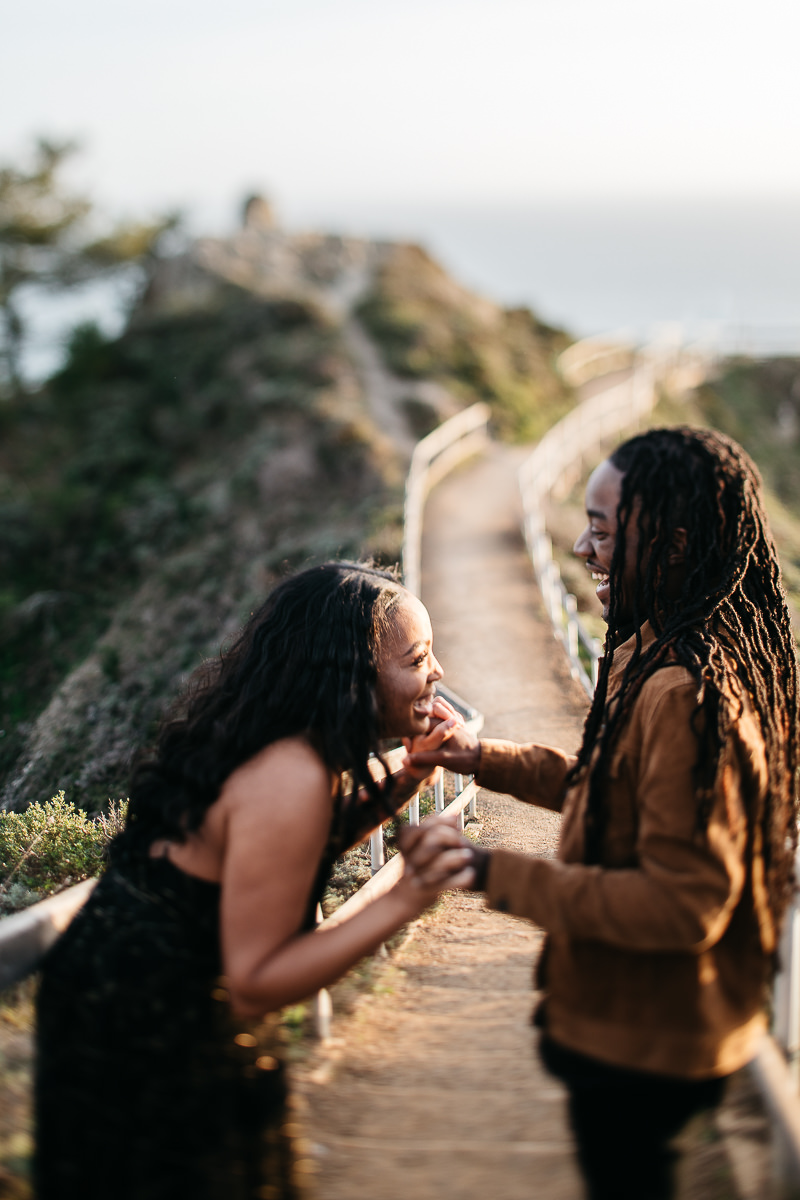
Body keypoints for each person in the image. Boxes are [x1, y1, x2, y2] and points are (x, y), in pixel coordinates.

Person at [403, 427, 800, 1200]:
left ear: (675, 544)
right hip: (628, 1026)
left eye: (603, 528)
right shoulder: (653, 651)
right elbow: (606, 787)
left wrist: (490, 872)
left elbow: (683, 903)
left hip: (646, 1045)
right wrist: (483, 759)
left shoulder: (686, 694)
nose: (584, 548)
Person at [35, 561, 474, 1200]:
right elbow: (255, 980)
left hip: (116, 1000)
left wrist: (403, 782)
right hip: (149, 1033)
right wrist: (407, 895)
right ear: (350, 674)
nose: (437, 675)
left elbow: (277, 863)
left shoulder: (270, 740)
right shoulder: (291, 774)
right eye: (418, 658)